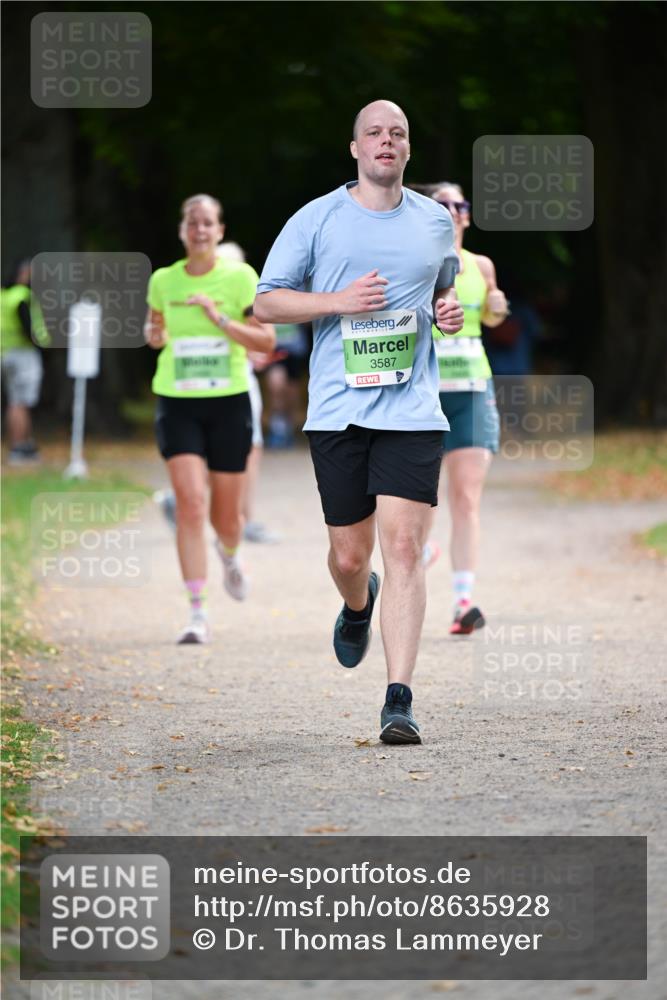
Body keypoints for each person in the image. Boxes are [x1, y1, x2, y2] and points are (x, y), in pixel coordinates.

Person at [255, 100, 464, 745]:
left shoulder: (434, 222)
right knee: (351, 555)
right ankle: (356, 601)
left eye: (398, 133)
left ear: (407, 150)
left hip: (411, 408)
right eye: (374, 132)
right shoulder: (317, 218)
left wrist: (445, 312)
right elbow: (266, 302)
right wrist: (336, 302)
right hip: (339, 409)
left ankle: (398, 699)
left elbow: (441, 290)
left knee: (404, 548)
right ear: (355, 148)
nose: (386, 141)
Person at [145, 195, 275, 644]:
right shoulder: (163, 280)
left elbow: (264, 340)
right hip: (177, 399)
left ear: (219, 231)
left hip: (229, 402)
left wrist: (216, 317)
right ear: (182, 231)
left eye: (208, 223)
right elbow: (155, 330)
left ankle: (230, 553)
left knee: (227, 518)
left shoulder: (241, 277)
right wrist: (154, 334)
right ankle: (197, 612)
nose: (199, 230)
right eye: (192, 223)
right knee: (189, 504)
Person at [153, 241, 281, 545]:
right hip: (229, 386)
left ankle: (233, 516)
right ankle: (241, 520)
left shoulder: (226, 292)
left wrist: (253, 350)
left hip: (226, 382)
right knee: (244, 451)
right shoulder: (216, 295)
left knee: (237, 452)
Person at [424, 182, 508, 634]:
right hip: (422, 393)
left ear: (468, 216)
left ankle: (462, 602)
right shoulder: (414, 262)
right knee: (418, 498)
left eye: (460, 205)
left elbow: (491, 316)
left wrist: (497, 306)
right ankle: (418, 551)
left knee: (466, 497)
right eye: (443, 204)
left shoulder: (481, 266)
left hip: (472, 389)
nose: (454, 211)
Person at [1, 259, 50, 465]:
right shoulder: (22, 296)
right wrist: (43, 343)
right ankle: (20, 446)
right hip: (22, 354)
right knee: (20, 403)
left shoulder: (4, 296)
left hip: (5, 353)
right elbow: (28, 327)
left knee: (14, 401)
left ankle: (21, 444)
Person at [264, 321, 310, 448]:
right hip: (275, 349)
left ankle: (288, 430)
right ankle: (277, 429)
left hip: (295, 350)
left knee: (292, 394)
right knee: (276, 385)